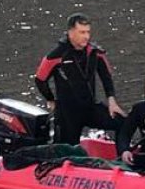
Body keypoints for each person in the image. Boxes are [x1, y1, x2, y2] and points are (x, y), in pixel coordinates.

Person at [34, 13, 126, 144]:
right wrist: (50, 99)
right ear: (71, 32)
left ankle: (122, 158)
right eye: (82, 32)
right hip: (67, 114)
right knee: (66, 152)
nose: (86, 36)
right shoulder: (56, 55)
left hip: (90, 108)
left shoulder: (95, 53)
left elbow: (106, 77)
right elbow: (40, 80)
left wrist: (112, 101)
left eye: (88, 32)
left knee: (123, 123)